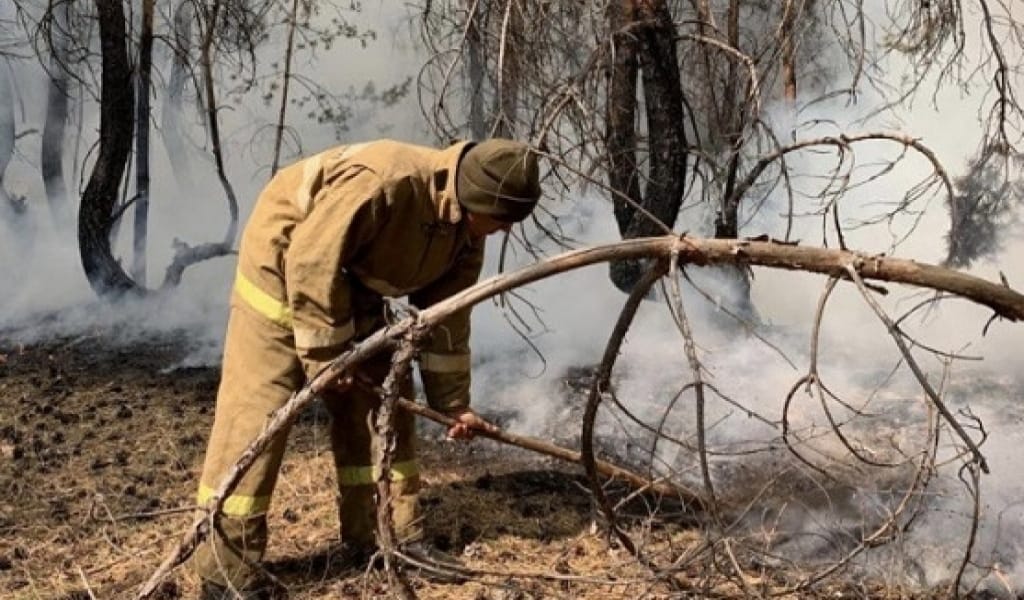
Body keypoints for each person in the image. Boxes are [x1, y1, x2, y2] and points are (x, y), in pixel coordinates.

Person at [194, 138, 541, 598]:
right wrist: (325, 358)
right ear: (472, 199)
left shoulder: (466, 233)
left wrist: (455, 405)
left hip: (349, 276)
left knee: (384, 400)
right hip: (285, 262)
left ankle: (384, 534)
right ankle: (225, 570)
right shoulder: (386, 183)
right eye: (500, 221)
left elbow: (447, 322)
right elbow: (311, 259)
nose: (504, 233)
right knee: (261, 408)